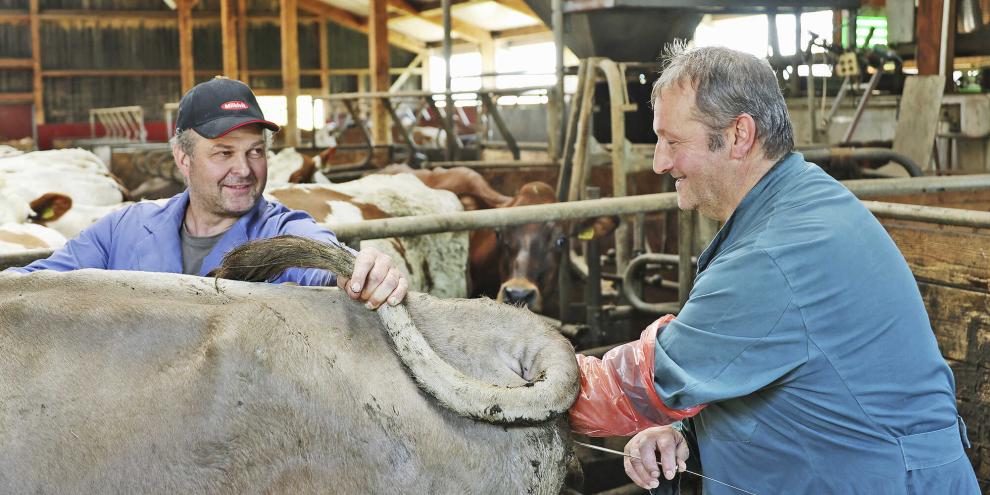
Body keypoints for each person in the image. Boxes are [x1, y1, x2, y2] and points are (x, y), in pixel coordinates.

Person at [569, 43, 979, 494]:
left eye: (673, 141)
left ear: (739, 135)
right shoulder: (796, 199)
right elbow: (774, 370)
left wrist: (530, 382)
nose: (659, 162)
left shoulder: (776, 252)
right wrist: (685, 434)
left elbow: (633, 388)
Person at [6, 77, 407, 309]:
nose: (244, 169)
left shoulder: (281, 231)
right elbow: (30, 283)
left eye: (256, 151)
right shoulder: (122, 229)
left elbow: (324, 260)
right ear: (183, 158)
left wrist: (359, 270)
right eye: (223, 153)